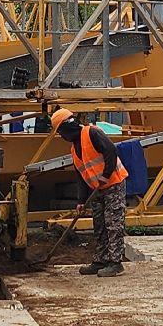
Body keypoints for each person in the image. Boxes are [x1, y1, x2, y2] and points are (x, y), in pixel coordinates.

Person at [52, 108, 128, 276]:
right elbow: (81, 175)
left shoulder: (92, 133)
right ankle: (100, 260)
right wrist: (81, 200)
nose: (62, 137)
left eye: (61, 133)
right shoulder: (74, 149)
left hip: (113, 184)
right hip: (97, 189)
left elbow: (111, 151)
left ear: (67, 128)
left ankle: (116, 263)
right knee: (99, 225)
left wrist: (106, 175)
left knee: (113, 224)